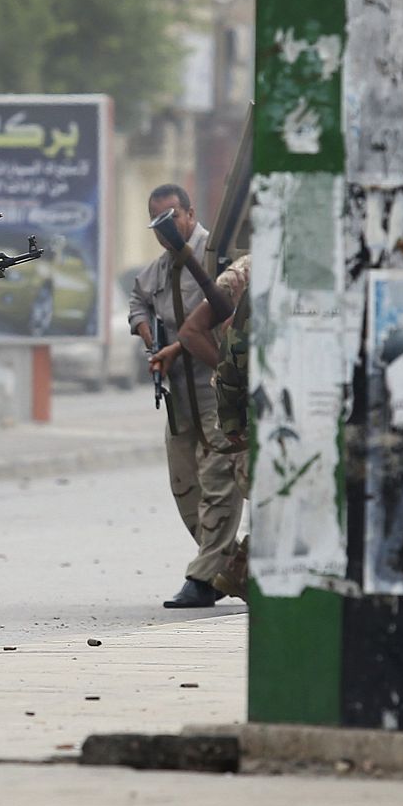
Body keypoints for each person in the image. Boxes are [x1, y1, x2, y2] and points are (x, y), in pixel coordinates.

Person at [128, 185, 243, 608]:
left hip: (216, 386)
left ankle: (203, 576)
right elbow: (138, 303)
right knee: (185, 484)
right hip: (178, 393)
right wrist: (149, 339)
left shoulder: (219, 259)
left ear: (191, 215)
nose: (165, 229)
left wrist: (177, 345)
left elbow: (223, 315)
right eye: (156, 221)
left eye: (172, 217)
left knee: (219, 480)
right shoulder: (156, 271)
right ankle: (228, 565)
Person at [170, 247, 251, 598]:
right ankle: (226, 570)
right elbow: (224, 345)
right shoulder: (250, 274)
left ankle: (236, 570)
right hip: (253, 404)